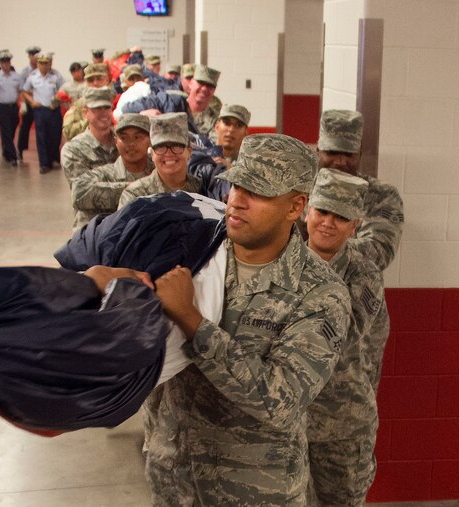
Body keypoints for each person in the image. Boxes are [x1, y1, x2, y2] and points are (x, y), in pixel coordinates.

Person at [144, 134, 351, 505]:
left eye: (257, 192)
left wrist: (192, 320)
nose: (236, 199)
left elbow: (281, 399)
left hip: (251, 489)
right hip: (175, 476)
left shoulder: (320, 293)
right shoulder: (197, 251)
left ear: (295, 207)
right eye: (237, 184)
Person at [304, 168, 387, 506]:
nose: (328, 222)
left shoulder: (363, 273)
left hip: (341, 424)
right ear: (307, 211)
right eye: (322, 211)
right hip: (286, 421)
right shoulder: (279, 260)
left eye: (341, 217)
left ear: (355, 225)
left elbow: (342, 335)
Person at [316, 110, 404, 274]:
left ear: (360, 154)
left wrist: (312, 249)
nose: (340, 162)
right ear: (318, 152)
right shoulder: (300, 189)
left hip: (355, 294)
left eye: (349, 155)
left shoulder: (381, 195)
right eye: (331, 153)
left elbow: (378, 252)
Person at [71, 113, 154, 228]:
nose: (131, 144)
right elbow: (79, 193)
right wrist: (135, 189)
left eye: (137, 137)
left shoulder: (160, 173)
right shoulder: (105, 175)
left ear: (151, 140)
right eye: (124, 138)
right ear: (116, 141)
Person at [118, 112, 203, 208]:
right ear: (152, 154)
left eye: (176, 146)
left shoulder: (201, 188)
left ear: (189, 151)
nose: (169, 153)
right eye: (160, 147)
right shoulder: (135, 195)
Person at [61, 87, 118, 184]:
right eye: (98, 109)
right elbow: (83, 189)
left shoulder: (123, 142)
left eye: (107, 108)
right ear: (85, 112)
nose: (104, 113)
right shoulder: (73, 149)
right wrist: (128, 186)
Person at [21, 52, 64, 173]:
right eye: (42, 63)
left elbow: (63, 90)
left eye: (46, 63)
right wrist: (31, 101)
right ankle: (44, 164)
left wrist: (57, 99)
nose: (44, 66)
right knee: (42, 137)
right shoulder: (33, 76)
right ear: (38, 64)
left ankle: (54, 159)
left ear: (49, 64)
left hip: (54, 110)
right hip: (40, 111)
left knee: (55, 136)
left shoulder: (56, 76)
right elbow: (24, 91)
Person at [0, 49, 25, 166]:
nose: (5, 64)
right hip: (1, 107)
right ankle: (13, 156)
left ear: (10, 62)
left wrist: (23, 104)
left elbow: (21, 91)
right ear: (0, 63)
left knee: (12, 128)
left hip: (13, 107)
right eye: (3, 62)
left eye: (7, 62)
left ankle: (6, 151)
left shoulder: (17, 76)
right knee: (6, 130)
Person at [62, 63, 112, 141]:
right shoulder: (79, 105)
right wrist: (91, 120)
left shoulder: (118, 101)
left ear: (107, 80)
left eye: (99, 79)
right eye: (90, 80)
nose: (95, 83)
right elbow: (68, 132)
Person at [17, 45, 42, 159]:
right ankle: (20, 150)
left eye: (36, 55)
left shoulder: (43, 70)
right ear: (29, 57)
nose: (35, 58)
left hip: (40, 102)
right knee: (25, 127)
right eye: (32, 55)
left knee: (41, 128)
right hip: (28, 102)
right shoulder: (24, 72)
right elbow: (21, 89)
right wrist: (23, 103)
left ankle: (43, 153)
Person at [187, 64, 222, 137]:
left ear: (214, 90)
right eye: (201, 82)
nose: (204, 89)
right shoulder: (173, 107)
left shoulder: (216, 119)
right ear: (191, 83)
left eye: (210, 86)